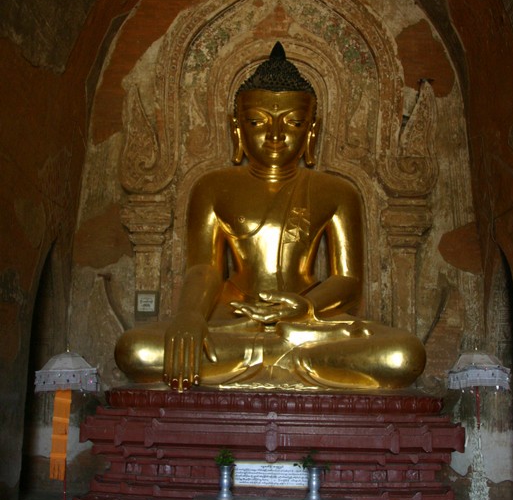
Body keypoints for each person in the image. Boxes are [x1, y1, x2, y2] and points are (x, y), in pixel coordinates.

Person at [115, 43, 426, 392]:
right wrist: (190, 316)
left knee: (402, 354)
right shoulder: (211, 187)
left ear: (312, 131)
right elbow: (205, 268)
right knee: (136, 350)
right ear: (236, 128)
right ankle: (293, 362)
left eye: (293, 122)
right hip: (234, 319)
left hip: (308, 323)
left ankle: (267, 359)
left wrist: (306, 306)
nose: (276, 135)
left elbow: (348, 280)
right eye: (257, 121)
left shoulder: (339, 192)